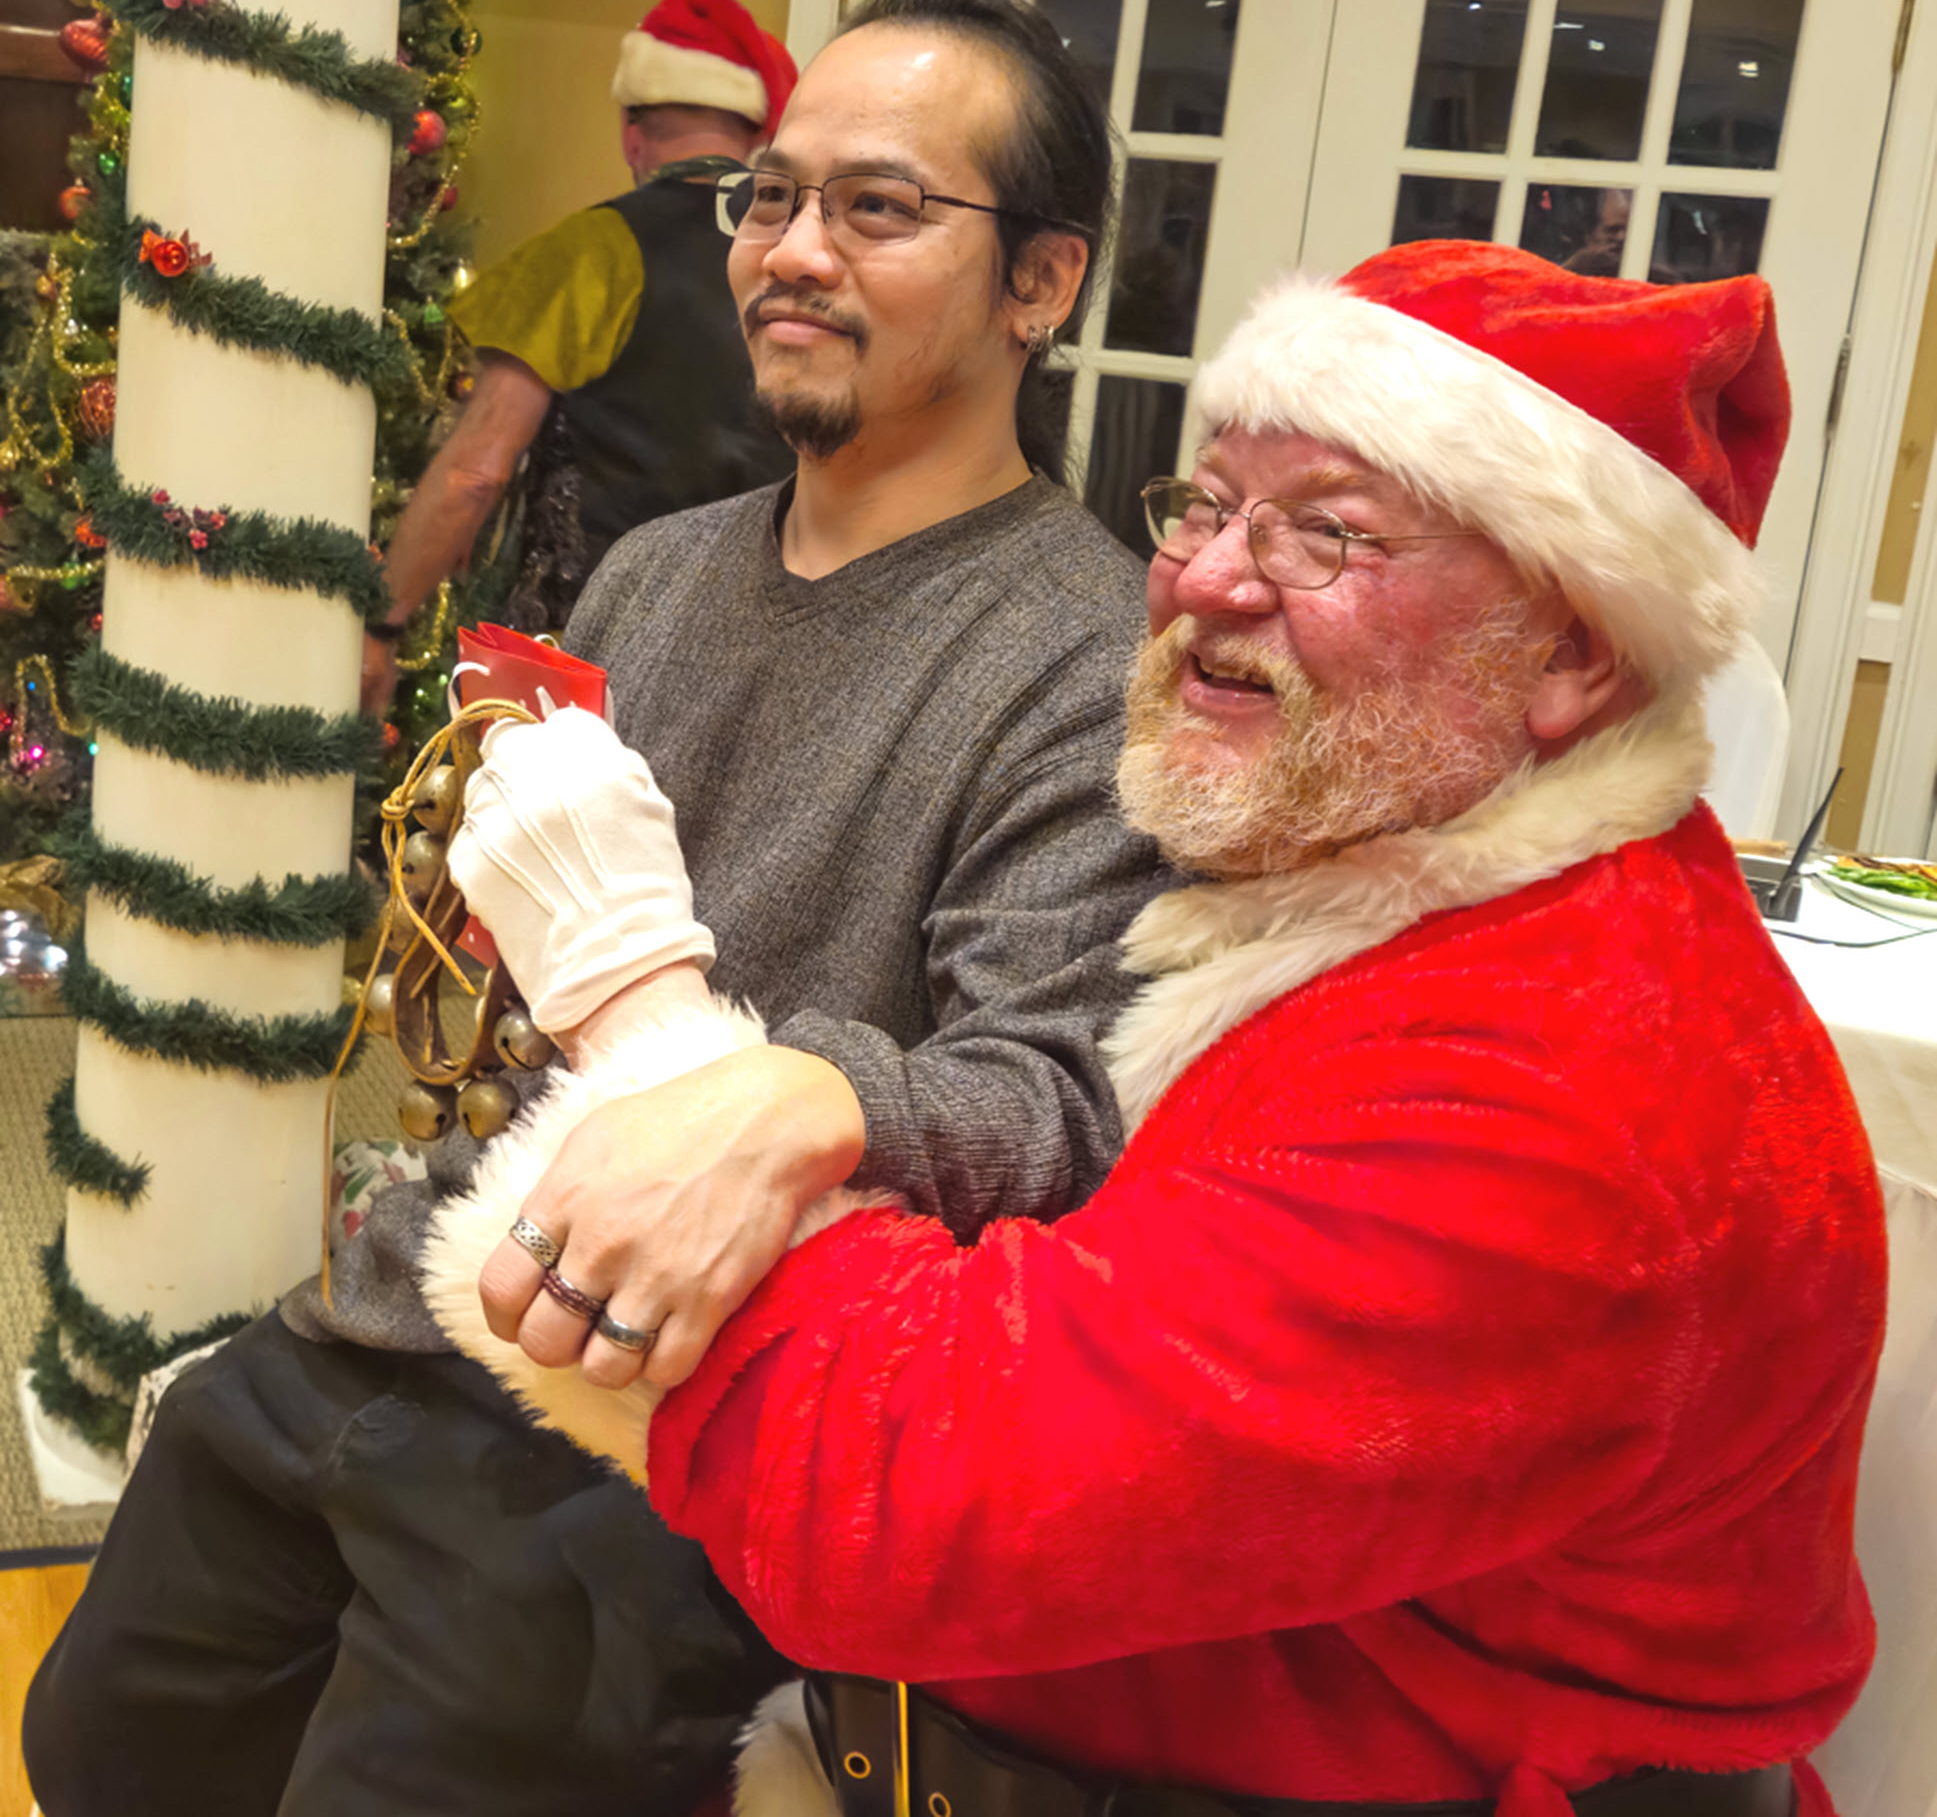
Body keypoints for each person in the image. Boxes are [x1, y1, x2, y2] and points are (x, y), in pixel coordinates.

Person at [449, 243, 1887, 1817]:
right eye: (1203, 508)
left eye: (1328, 533)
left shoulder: (1568, 1085)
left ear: (1572, 655)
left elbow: (902, 1507)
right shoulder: (1390, 902)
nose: (1205, 581)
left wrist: (636, 995)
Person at [26, 0, 1172, 1817]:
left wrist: (781, 1092)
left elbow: (1047, 1102)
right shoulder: (657, 569)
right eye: (770, 197)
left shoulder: (1084, 660)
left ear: (1040, 280)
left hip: (649, 1438)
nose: (792, 251)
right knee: (107, 1741)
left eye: (878, 208)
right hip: (400, 1307)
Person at [360, 0, 797, 713]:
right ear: (754, 132)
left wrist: (382, 624)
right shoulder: (800, 252)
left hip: (594, 664)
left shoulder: (595, 251)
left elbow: (475, 472)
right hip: (766, 656)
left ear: (632, 130)